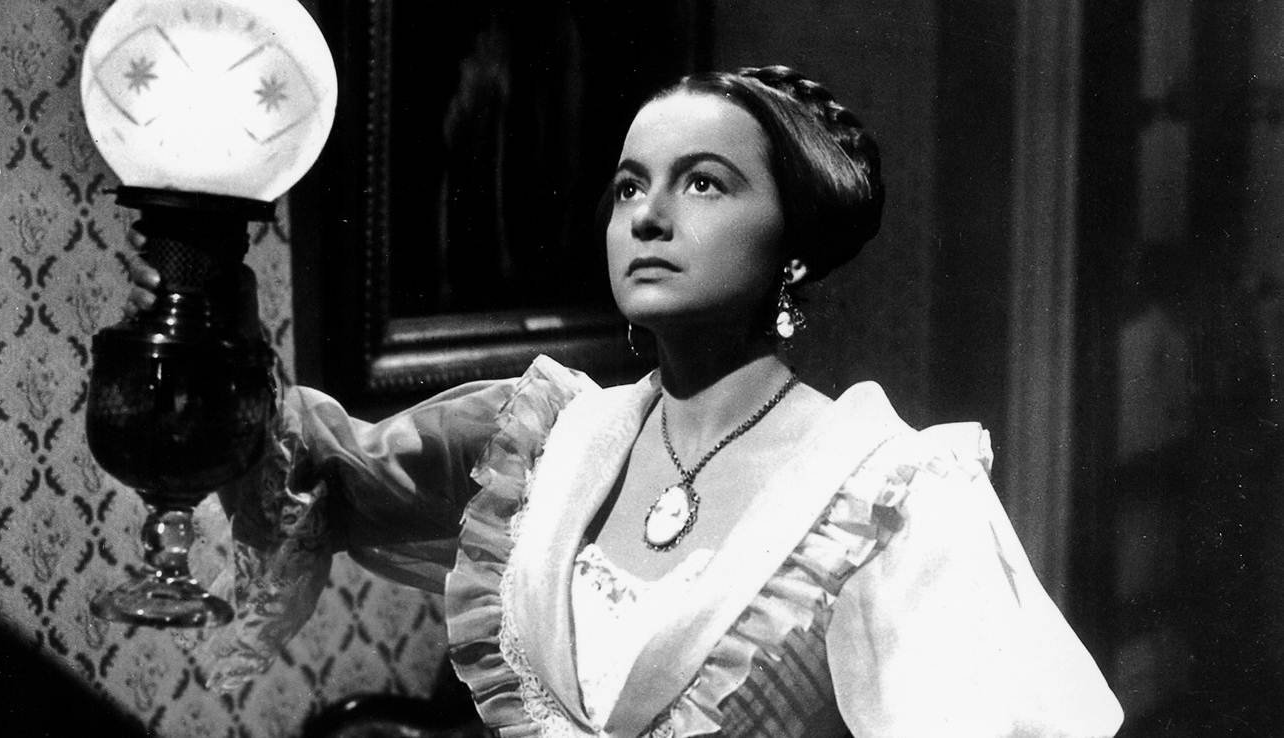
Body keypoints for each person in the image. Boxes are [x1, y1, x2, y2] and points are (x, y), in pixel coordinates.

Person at [128, 66, 1124, 736]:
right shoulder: (543, 438)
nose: (647, 216)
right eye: (628, 187)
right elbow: (308, 474)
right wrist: (202, 297)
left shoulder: (887, 496)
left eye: (704, 184)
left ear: (793, 245)